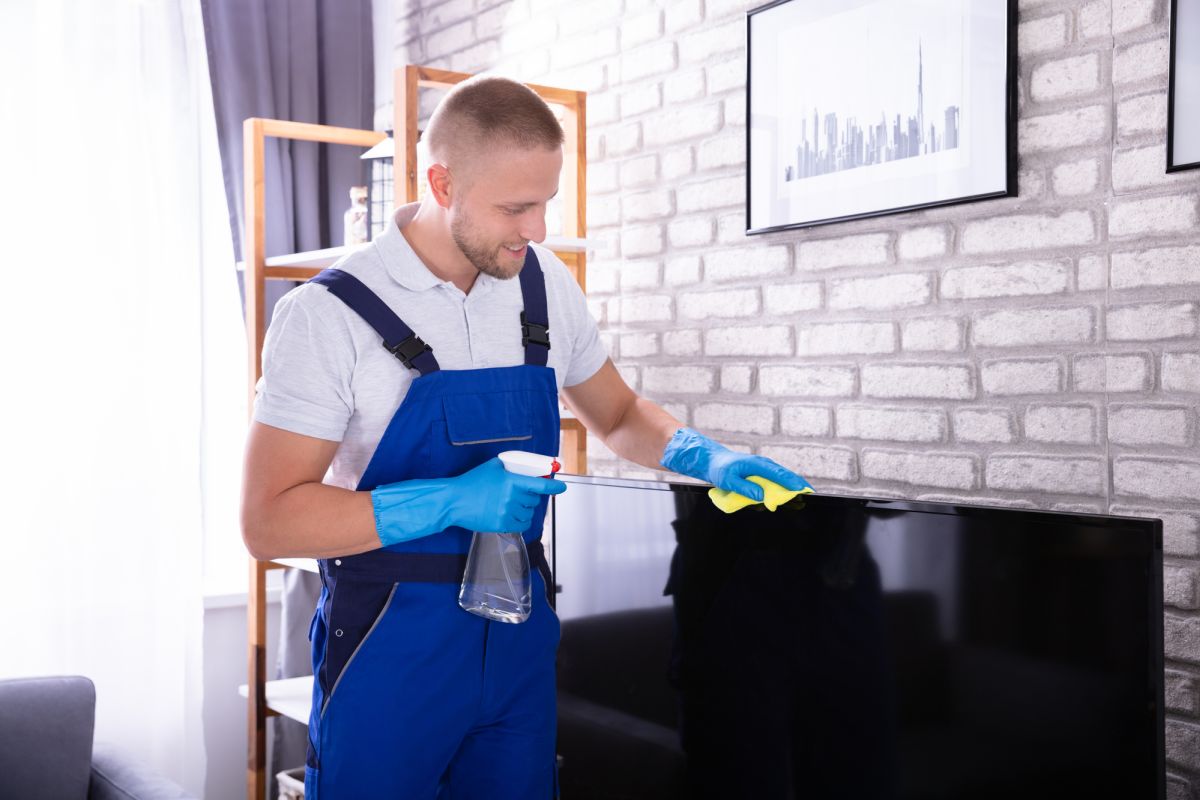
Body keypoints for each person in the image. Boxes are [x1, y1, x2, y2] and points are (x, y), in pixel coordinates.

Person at [240, 75, 812, 800]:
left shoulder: (541, 284)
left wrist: (705, 457)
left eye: (545, 203)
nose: (536, 230)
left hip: (517, 643)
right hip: (390, 650)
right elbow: (267, 519)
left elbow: (618, 413)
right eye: (516, 207)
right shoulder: (328, 314)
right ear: (441, 183)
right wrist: (449, 502)